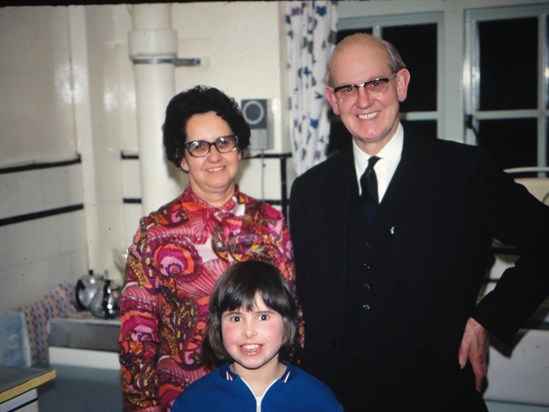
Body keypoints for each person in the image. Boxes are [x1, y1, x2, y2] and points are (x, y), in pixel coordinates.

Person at [289, 33, 549, 412]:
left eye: (376, 82)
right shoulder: (309, 189)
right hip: (337, 398)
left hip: (437, 393)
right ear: (332, 100)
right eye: (348, 89)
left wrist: (486, 319)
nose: (363, 100)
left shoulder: (464, 172)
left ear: (401, 84)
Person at [119, 85, 295, 411]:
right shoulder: (155, 232)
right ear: (181, 159)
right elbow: (136, 336)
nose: (214, 156)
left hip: (264, 398)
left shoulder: (272, 225)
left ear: (239, 150)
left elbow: (294, 317)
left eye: (224, 142)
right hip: (183, 399)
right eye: (198, 146)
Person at [171, 260, 343, 412]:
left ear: (286, 323)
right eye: (236, 318)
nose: (249, 331)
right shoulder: (193, 403)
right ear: (218, 326)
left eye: (263, 317)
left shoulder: (319, 401)